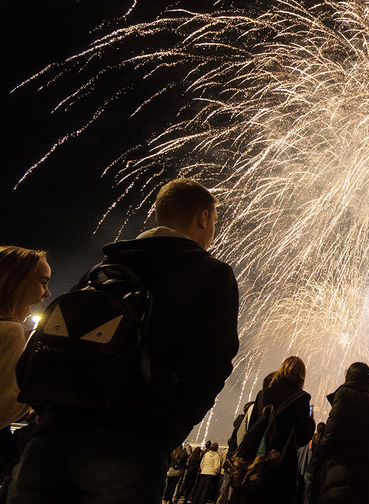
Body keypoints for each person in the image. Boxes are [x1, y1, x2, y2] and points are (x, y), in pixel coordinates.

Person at [11, 178, 240, 504]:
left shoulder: (104, 268)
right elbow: (214, 363)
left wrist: (52, 410)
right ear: (202, 217)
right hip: (132, 441)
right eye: (214, 222)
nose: (213, 231)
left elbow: (44, 343)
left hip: (52, 436)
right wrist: (167, 430)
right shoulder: (211, 274)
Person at [0, 246, 50, 482]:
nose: (47, 293)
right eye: (42, 282)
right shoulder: (8, 331)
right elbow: (4, 409)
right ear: (15, 280)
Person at [242, 356, 315, 504]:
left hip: (256, 462)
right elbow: (303, 437)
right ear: (301, 375)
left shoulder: (262, 395)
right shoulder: (302, 397)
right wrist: (311, 421)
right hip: (283, 465)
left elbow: (252, 428)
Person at [307, 362, 369, 504]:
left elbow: (330, 434)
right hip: (364, 472)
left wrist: (318, 441)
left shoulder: (344, 394)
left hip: (341, 471)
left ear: (348, 376)